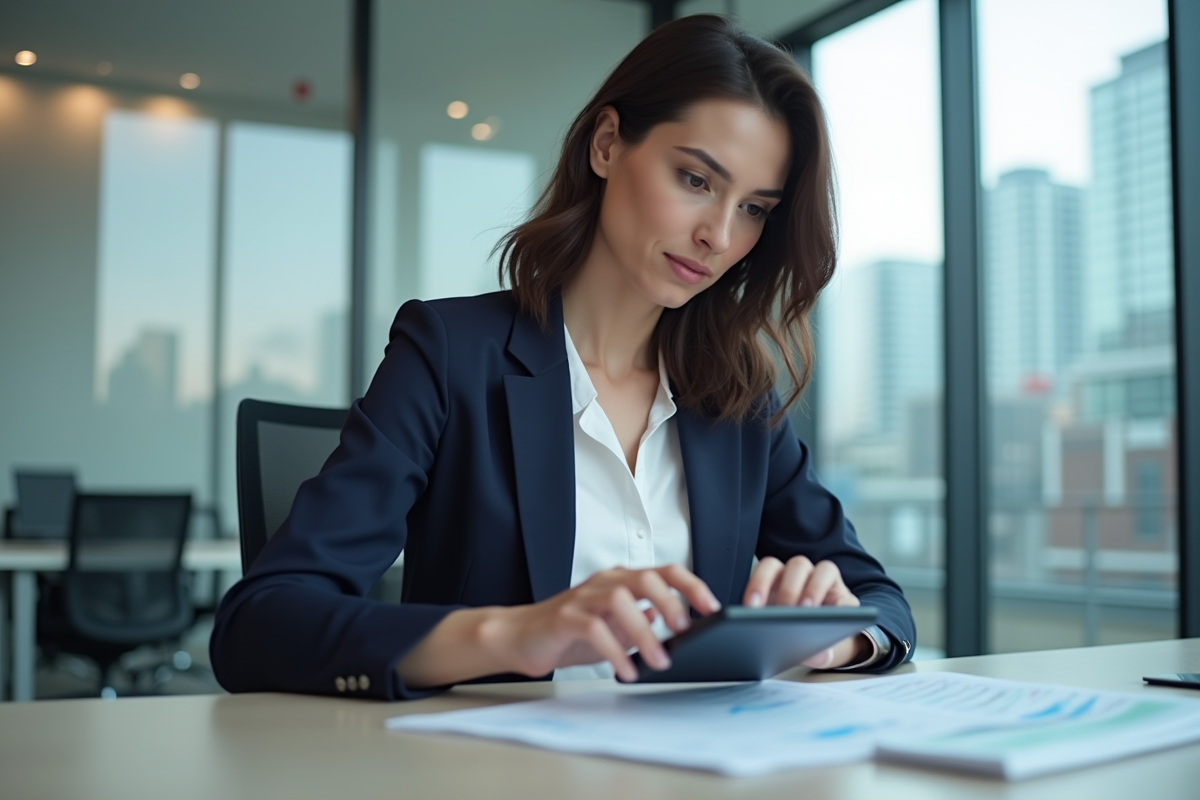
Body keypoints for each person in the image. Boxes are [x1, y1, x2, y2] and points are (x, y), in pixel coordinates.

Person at [210, 14, 916, 700]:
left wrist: (834, 636)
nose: (719, 236)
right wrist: (517, 634)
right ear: (607, 144)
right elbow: (260, 623)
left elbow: (879, 601)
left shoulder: (739, 399)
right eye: (696, 180)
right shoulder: (449, 355)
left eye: (755, 208)